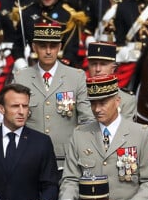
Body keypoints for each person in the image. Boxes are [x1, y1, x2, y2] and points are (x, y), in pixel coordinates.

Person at [57, 73, 148, 200]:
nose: (97, 109)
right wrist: (66, 199)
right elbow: (71, 178)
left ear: (117, 101)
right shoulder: (80, 134)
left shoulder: (141, 134)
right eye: (93, 103)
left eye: (103, 103)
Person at [9, 22, 93, 158]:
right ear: (34, 47)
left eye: (53, 46)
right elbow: (13, 118)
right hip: (30, 156)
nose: (48, 51)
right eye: (43, 46)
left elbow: (87, 119)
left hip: (66, 158)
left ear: (60, 47)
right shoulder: (21, 78)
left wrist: (84, 150)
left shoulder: (76, 77)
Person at [86, 41, 136, 120]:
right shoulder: (78, 93)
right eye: (94, 64)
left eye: (103, 64)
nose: (98, 69)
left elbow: (126, 130)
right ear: (88, 66)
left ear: (113, 68)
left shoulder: (127, 100)